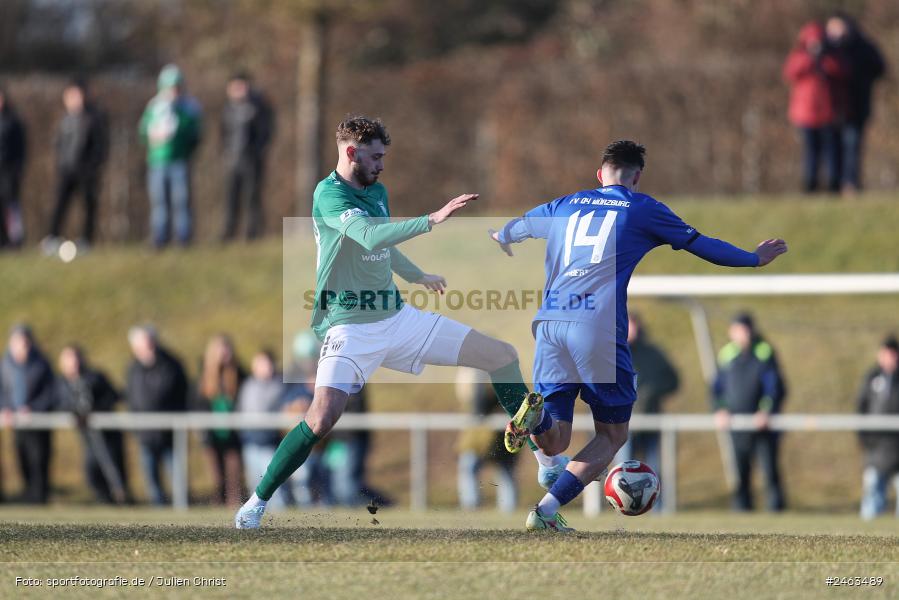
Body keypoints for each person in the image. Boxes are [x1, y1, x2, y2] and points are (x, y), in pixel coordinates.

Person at [235, 115, 558, 528]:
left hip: (398, 319)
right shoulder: (328, 196)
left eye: (383, 156)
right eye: (375, 156)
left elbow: (382, 246)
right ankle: (256, 503)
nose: (382, 165)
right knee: (321, 418)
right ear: (351, 152)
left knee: (501, 355)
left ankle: (545, 460)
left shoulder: (378, 191)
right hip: (349, 326)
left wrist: (416, 275)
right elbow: (368, 237)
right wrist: (432, 219)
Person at [490, 141, 788, 531]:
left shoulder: (565, 204)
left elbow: (519, 226)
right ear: (636, 177)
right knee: (613, 434)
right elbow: (702, 245)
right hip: (594, 327)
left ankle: (538, 417)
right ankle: (544, 512)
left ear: (600, 175)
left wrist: (504, 236)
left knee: (554, 441)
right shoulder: (643, 208)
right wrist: (753, 258)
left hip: (549, 324)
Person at [712, 313, 787, 512]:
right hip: (736, 424)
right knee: (740, 471)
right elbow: (717, 387)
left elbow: (774, 386)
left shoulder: (764, 352)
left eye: (744, 330)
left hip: (762, 424)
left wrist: (766, 410)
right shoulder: (727, 354)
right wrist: (720, 408)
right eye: (737, 330)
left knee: (769, 469)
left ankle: (776, 511)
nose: (741, 335)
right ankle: (742, 511)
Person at [55, 344, 129, 504]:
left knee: (113, 470)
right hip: (87, 436)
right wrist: (75, 413)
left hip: (107, 435)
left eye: (74, 358)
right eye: (68, 359)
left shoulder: (95, 377)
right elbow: (59, 403)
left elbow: (113, 396)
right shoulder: (61, 383)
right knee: (91, 473)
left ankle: (123, 501)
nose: (72, 363)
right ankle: (106, 502)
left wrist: (94, 411)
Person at [139, 64, 202, 248]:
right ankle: (160, 237)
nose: (173, 91)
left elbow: (195, 134)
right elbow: (143, 132)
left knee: (181, 201)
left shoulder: (189, 108)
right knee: (159, 202)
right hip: (157, 162)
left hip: (179, 161)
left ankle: (183, 238)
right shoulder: (154, 107)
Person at [43, 79, 109, 254]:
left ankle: (86, 240)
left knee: (88, 206)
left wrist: (93, 166)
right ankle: (52, 238)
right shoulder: (65, 119)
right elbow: (59, 144)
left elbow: (100, 145)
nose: (74, 99)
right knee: (60, 204)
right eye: (70, 96)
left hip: (86, 171)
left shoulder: (94, 118)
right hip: (67, 169)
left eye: (77, 95)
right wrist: (60, 163)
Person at [125, 325, 188, 505]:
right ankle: (158, 510)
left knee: (177, 476)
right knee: (151, 479)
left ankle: (181, 508)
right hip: (145, 434)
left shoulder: (171, 365)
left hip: (170, 433)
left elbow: (180, 394)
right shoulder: (133, 369)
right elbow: (131, 399)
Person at [782, 21, 848, 193]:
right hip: (805, 114)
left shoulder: (831, 58)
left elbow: (842, 72)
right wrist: (811, 59)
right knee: (811, 152)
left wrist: (824, 61)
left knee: (830, 151)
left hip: (827, 113)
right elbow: (790, 73)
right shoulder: (800, 57)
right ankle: (810, 185)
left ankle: (833, 184)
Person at [619, 313, 679, 499]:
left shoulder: (653, 354)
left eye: (633, 325)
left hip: (651, 419)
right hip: (622, 422)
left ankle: (657, 505)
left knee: (653, 468)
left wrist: (652, 391)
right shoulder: (614, 353)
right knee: (623, 471)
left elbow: (673, 380)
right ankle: (623, 504)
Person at [825, 13, 886, 194]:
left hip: (857, 105)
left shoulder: (863, 46)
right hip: (831, 108)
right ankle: (834, 184)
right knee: (833, 147)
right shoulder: (825, 48)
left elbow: (880, 67)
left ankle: (850, 184)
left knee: (852, 146)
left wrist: (861, 78)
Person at [0, 325, 56, 503]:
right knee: (22, 460)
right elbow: (2, 391)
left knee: (39, 461)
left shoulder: (41, 363)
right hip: (17, 423)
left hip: (38, 422)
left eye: (25, 343)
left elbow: (51, 392)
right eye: (18, 343)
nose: (22, 347)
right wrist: (5, 407)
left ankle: (40, 499)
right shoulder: (5, 364)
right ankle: (29, 497)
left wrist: (34, 408)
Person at [220, 72, 274, 241]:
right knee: (231, 199)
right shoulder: (227, 108)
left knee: (252, 198)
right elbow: (222, 133)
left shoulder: (259, 107)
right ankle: (229, 232)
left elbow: (266, 131)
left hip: (252, 159)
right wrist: (225, 152)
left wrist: (258, 151)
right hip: (232, 160)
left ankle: (253, 233)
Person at [456, 368, 518, 512]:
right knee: (472, 468)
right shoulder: (476, 398)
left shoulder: (488, 396)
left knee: (503, 472)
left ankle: (505, 508)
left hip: (494, 442)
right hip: (484, 443)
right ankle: (472, 505)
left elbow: (480, 412)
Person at [195, 334, 245, 506]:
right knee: (216, 476)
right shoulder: (204, 378)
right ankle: (217, 506)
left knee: (234, 476)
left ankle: (234, 506)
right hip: (212, 435)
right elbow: (198, 404)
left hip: (234, 435)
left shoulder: (239, 375)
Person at [237, 349, 289, 508]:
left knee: (273, 483)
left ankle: (279, 515)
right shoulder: (248, 385)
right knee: (255, 483)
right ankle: (256, 514)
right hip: (251, 441)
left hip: (271, 443)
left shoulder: (280, 385)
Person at [856, 336, 899, 520]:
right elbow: (861, 408)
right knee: (872, 497)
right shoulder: (872, 377)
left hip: (897, 448)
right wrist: (866, 439)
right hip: (876, 449)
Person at [0, 86, 26, 249]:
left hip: (10, 170)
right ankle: (2, 240)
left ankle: (16, 240)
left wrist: (17, 168)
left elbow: (21, 147)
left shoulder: (13, 120)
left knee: (12, 205)